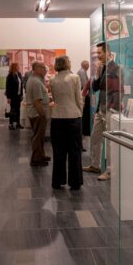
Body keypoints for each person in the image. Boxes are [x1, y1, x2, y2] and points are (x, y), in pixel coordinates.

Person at [83, 42, 121, 181]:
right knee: (95, 137)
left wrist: (112, 109)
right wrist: (97, 75)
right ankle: (95, 165)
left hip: (110, 110)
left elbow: (118, 91)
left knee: (110, 142)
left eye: (100, 53)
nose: (98, 55)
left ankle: (110, 171)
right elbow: (96, 87)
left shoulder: (115, 68)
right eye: (97, 53)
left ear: (107, 52)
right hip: (101, 108)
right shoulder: (103, 67)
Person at [50, 56, 84, 190]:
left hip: (57, 117)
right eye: (69, 61)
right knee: (75, 151)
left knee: (58, 151)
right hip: (73, 117)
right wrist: (80, 113)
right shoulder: (75, 78)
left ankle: (57, 181)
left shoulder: (52, 79)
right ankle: (75, 182)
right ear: (67, 64)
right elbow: (78, 99)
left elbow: (55, 97)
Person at [25, 61, 51, 167]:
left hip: (36, 113)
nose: (45, 70)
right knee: (38, 137)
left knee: (40, 136)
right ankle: (36, 159)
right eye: (42, 68)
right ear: (35, 69)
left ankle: (41, 155)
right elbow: (37, 101)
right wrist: (42, 114)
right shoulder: (35, 81)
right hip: (38, 114)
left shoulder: (35, 80)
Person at [5, 62, 24, 130]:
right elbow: (8, 87)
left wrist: (21, 94)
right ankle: (11, 124)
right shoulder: (10, 75)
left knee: (18, 110)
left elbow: (21, 85)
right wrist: (8, 97)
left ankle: (18, 123)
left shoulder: (19, 74)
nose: (19, 67)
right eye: (18, 66)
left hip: (18, 96)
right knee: (13, 110)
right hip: (12, 96)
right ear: (14, 67)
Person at [77, 60, 91, 141]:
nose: (88, 66)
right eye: (87, 65)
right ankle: (84, 132)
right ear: (83, 65)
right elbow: (85, 84)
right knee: (84, 115)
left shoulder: (83, 71)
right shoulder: (82, 72)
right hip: (83, 95)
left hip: (83, 94)